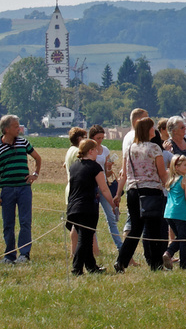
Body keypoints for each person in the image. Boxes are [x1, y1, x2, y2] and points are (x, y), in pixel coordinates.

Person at [113, 116, 170, 271]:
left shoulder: (130, 148)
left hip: (133, 191)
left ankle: (121, 261)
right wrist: (171, 184)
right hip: (151, 191)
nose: (154, 130)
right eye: (152, 127)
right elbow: (161, 173)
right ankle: (156, 264)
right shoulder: (154, 148)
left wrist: (118, 193)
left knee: (136, 229)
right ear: (147, 130)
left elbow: (124, 174)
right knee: (153, 229)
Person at [0, 114, 43, 264]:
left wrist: (35, 174)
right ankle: (9, 255)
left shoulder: (23, 142)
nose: (19, 129)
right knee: (8, 223)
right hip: (7, 189)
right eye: (15, 126)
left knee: (25, 221)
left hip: (24, 188)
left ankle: (24, 254)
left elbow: (38, 158)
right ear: (6, 129)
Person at [65, 138, 106, 275]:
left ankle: (91, 267)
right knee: (85, 238)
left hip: (73, 207)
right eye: (96, 150)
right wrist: (113, 203)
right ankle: (76, 268)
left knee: (86, 238)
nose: (97, 153)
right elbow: (104, 189)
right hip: (87, 207)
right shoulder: (94, 167)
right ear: (90, 151)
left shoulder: (74, 166)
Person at [87, 124, 123, 248]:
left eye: (102, 138)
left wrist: (109, 167)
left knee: (111, 218)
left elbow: (106, 172)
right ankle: (94, 248)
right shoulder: (89, 150)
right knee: (92, 218)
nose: (100, 140)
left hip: (103, 184)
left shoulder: (105, 150)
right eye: (98, 138)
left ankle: (120, 247)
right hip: (92, 186)